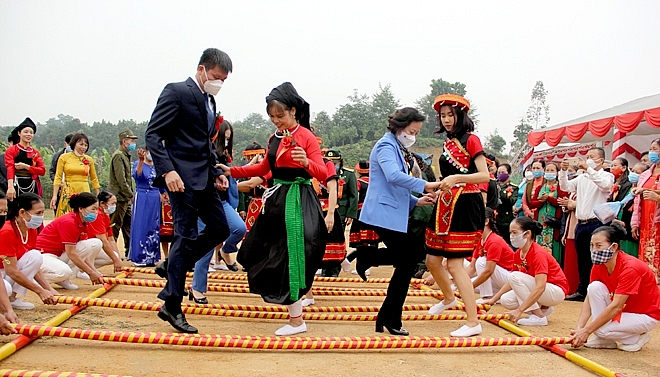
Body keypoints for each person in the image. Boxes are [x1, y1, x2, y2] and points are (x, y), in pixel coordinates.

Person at [219, 82, 327, 336]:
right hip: (276, 201)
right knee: (258, 250)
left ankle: (296, 320)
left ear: (293, 111)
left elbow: (324, 172)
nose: (276, 121)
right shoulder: (274, 138)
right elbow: (263, 169)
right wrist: (232, 171)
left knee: (290, 257)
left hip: (297, 201)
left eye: (280, 116)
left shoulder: (306, 137)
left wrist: (307, 162)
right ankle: (293, 315)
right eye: (272, 117)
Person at [145, 48, 232, 334]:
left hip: (205, 178)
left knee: (220, 228)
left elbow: (204, 142)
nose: (218, 83)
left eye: (223, 80)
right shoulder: (176, 92)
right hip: (180, 179)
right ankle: (172, 305)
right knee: (186, 235)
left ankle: (172, 263)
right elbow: (154, 135)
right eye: (216, 77)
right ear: (202, 70)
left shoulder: (209, 101)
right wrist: (168, 170)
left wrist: (218, 171)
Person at [348, 107, 439, 336]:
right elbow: (392, 177)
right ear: (399, 126)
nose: (413, 136)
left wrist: (418, 201)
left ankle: (388, 317)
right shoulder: (386, 146)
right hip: (382, 213)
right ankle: (368, 258)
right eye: (411, 130)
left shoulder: (397, 147)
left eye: (417, 132)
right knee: (413, 255)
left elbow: (393, 188)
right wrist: (424, 186)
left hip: (391, 212)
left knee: (408, 262)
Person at [423, 94, 489, 337]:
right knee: (432, 260)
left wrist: (456, 179)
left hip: (465, 204)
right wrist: (440, 186)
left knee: (454, 264)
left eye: (451, 115)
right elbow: (450, 177)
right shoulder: (448, 142)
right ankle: (449, 297)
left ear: (461, 115)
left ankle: (473, 322)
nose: (447, 119)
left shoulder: (471, 140)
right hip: (447, 203)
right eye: (443, 115)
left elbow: (484, 176)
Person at [570, 223, 660, 352]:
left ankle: (635, 338)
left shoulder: (630, 268)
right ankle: (605, 339)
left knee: (599, 329)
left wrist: (587, 331)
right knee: (594, 287)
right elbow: (590, 297)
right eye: (592, 245)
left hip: (644, 315)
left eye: (599, 245)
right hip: (624, 312)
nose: (594, 250)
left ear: (614, 247)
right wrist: (580, 328)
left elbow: (617, 305)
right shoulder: (599, 264)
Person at [484, 217, 568, 326]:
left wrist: (519, 310)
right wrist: (494, 299)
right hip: (542, 290)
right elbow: (512, 281)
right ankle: (543, 308)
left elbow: (540, 287)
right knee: (506, 300)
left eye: (515, 233)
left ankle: (539, 316)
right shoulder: (518, 253)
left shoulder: (538, 254)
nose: (511, 236)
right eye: (510, 233)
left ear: (527, 234)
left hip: (555, 290)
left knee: (515, 276)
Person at [559, 148, 614, 301]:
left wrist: (588, 169)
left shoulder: (606, 176)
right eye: (587, 156)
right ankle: (583, 291)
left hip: (597, 223)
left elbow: (605, 186)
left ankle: (599, 290)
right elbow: (566, 187)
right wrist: (563, 172)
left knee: (598, 259)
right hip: (581, 224)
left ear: (601, 160)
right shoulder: (581, 178)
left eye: (591, 157)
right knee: (582, 259)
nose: (587, 159)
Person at [0, 193, 59, 310]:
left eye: (43, 212)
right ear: (22, 212)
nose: (41, 217)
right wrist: (40, 291)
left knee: (35, 256)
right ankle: (7, 300)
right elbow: (11, 270)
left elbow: (34, 264)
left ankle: (12, 298)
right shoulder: (7, 232)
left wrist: (48, 289)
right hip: (4, 270)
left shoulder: (31, 230)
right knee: (6, 289)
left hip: (8, 270)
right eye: (38, 213)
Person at [38, 192, 105, 289]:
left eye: (97, 209)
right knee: (64, 272)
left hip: (59, 253)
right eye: (93, 209)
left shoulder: (83, 222)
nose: (96, 212)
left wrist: (94, 271)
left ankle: (63, 279)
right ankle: (35, 279)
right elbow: (71, 253)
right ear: (81, 209)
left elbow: (83, 252)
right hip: (44, 254)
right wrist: (91, 273)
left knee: (94, 243)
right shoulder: (69, 222)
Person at [212, 120, 246, 271]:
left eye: (228, 138)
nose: (227, 142)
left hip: (224, 199)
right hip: (210, 199)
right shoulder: (210, 153)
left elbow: (237, 173)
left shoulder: (225, 157)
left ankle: (223, 253)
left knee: (238, 228)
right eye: (225, 138)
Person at [466, 207, 514, 303]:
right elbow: (472, 266)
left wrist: (468, 288)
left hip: (509, 277)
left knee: (481, 262)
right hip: (499, 276)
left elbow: (488, 270)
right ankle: (496, 294)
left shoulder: (494, 241)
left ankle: (487, 296)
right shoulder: (482, 239)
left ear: (486, 221)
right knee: (467, 283)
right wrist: (461, 286)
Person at [127, 147, 162, 267]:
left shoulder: (158, 166)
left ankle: (151, 257)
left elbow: (161, 184)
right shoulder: (138, 163)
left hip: (155, 197)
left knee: (154, 226)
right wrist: (141, 161)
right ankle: (139, 257)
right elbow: (137, 176)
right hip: (142, 196)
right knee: (141, 224)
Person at [51, 133, 101, 217]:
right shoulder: (64, 157)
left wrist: (98, 196)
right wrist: (54, 196)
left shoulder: (89, 160)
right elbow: (58, 177)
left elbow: (94, 179)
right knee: (67, 216)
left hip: (84, 189)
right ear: (74, 144)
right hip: (68, 191)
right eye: (81, 144)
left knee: (84, 216)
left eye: (86, 145)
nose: (83, 147)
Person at [631, 139, 660, 281]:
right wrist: (635, 223)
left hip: (658, 223)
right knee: (646, 257)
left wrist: (657, 198)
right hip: (646, 224)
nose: (652, 153)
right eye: (651, 149)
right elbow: (637, 202)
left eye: (655, 149)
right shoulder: (646, 174)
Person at [530, 162, 566, 263]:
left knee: (554, 250)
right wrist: (541, 201)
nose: (549, 172)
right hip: (541, 223)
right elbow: (532, 204)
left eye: (552, 170)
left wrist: (549, 199)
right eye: (547, 170)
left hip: (554, 224)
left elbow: (561, 202)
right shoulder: (539, 188)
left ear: (557, 173)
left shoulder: (560, 187)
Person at [109, 130, 138, 255]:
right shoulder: (119, 156)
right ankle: (112, 252)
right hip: (119, 197)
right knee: (115, 225)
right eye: (131, 141)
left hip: (124, 197)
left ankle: (130, 250)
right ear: (124, 141)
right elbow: (121, 179)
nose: (133, 143)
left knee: (129, 224)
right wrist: (130, 194)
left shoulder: (125, 155)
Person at [347, 160, 378, 277]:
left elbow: (355, 198)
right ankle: (366, 267)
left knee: (361, 242)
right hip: (374, 213)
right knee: (369, 242)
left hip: (361, 214)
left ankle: (361, 265)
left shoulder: (358, 183)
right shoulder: (375, 182)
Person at [5, 118, 46, 201]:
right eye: (26, 132)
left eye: (31, 133)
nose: (29, 134)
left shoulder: (35, 153)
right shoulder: (11, 150)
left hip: (32, 185)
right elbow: (10, 168)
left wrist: (26, 167)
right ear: (19, 133)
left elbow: (42, 171)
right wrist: (10, 187)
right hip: (16, 184)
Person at [87, 191, 124, 272]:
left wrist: (117, 259)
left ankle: (88, 267)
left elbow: (111, 239)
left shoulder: (106, 217)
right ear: (103, 204)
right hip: (88, 245)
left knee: (114, 255)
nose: (114, 206)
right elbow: (103, 240)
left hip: (92, 247)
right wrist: (116, 260)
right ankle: (84, 269)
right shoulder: (98, 215)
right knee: (98, 243)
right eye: (112, 203)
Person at [608, 157, 636, 257]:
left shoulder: (628, 185)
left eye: (615, 165)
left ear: (624, 168)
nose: (612, 168)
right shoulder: (613, 183)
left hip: (625, 221)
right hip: (614, 221)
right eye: (611, 165)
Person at [325, 149, 358, 228]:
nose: (332, 165)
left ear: (340, 162)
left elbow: (353, 195)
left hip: (341, 211)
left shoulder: (348, 174)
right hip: (323, 210)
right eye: (330, 163)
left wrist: (351, 214)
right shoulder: (320, 174)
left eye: (335, 163)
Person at [49, 134, 74, 213]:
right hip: (60, 188)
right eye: (70, 144)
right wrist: (59, 184)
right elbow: (52, 171)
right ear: (65, 144)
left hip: (73, 188)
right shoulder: (58, 156)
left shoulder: (79, 157)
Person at [496, 163, 518, 244]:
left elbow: (511, 202)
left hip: (506, 220)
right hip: (494, 219)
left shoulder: (513, 187)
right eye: (499, 172)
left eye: (503, 172)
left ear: (509, 173)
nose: (500, 174)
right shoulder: (494, 185)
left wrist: (500, 192)